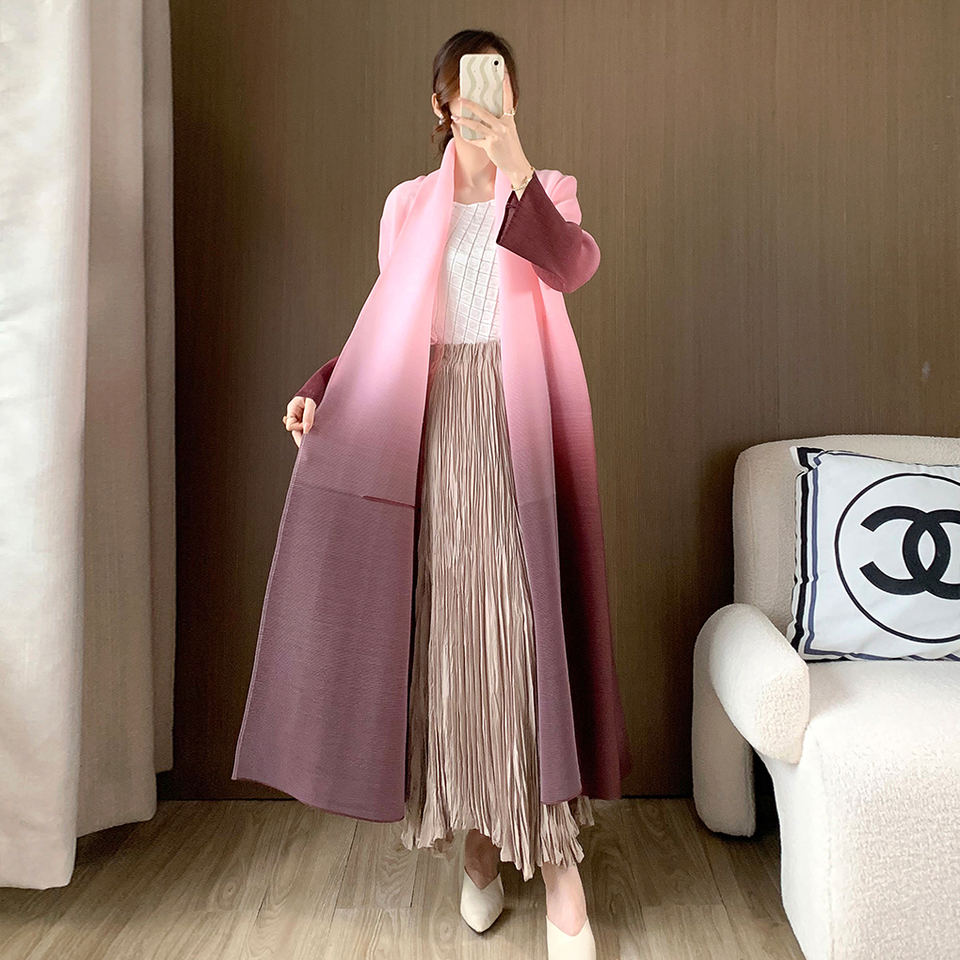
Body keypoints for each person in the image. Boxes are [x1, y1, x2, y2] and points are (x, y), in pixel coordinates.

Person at [264, 29, 622, 960]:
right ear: (440, 103)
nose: (479, 99)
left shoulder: (546, 191)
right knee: (451, 642)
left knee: (520, 632)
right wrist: (321, 388)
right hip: (430, 430)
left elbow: (573, 266)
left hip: (515, 426)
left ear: (511, 95)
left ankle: (557, 861)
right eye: (464, 87)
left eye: (496, 84)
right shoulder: (406, 207)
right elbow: (385, 325)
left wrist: (516, 163)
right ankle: (475, 841)